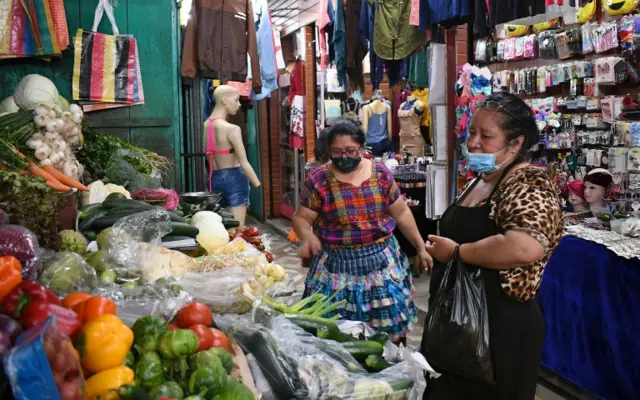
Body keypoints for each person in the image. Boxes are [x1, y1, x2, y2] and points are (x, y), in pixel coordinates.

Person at [421, 92, 564, 400]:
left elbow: (524, 247)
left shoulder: (527, 183)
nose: (473, 142)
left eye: (486, 136)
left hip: (499, 327)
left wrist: (457, 253)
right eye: (471, 132)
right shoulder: (480, 180)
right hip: (457, 320)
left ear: (514, 144)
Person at [293, 118, 432, 341]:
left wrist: (420, 246)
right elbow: (301, 218)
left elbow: (402, 212)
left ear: (362, 147)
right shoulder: (319, 179)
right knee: (336, 334)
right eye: (337, 152)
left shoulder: (380, 173)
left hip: (381, 266)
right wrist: (307, 235)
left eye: (350, 150)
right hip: (335, 267)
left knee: (388, 333)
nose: (344, 157)